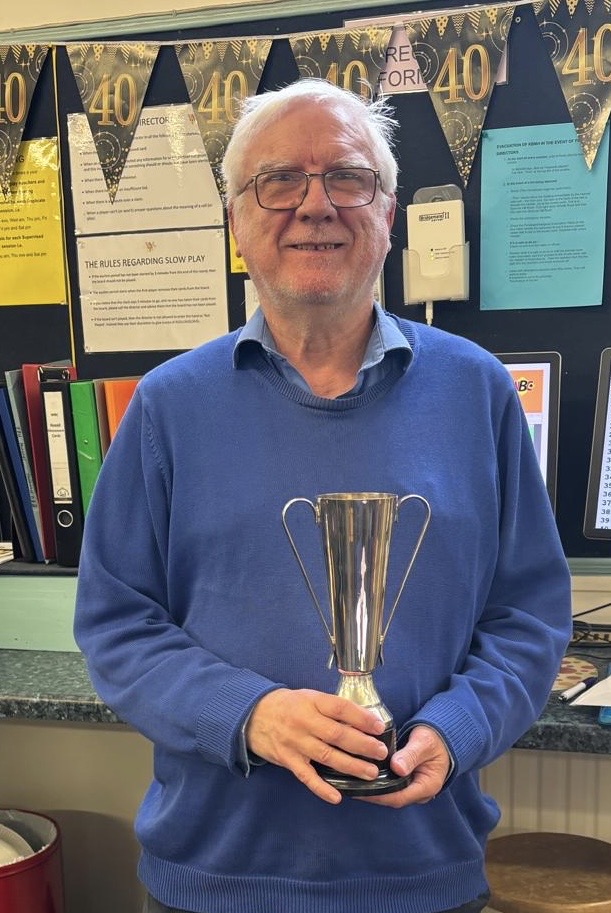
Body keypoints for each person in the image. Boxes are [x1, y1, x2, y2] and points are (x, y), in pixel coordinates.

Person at [74, 78, 572, 913]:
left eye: (347, 178)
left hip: (423, 876)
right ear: (235, 221)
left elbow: (527, 615)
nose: (315, 205)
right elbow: (117, 626)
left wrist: (456, 729)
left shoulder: (478, 392)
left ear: (387, 214)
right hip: (213, 880)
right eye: (279, 180)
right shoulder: (166, 407)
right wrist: (250, 714)